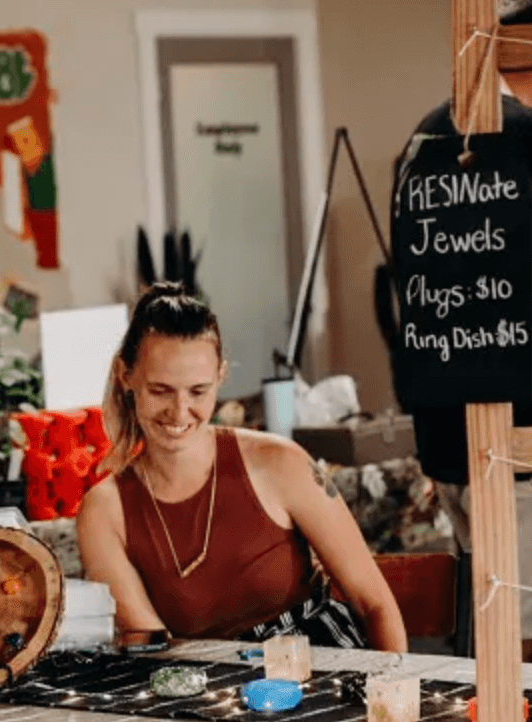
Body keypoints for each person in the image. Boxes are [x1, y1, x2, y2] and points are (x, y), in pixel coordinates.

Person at [77, 282, 407, 651]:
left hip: (325, 674)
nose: (179, 411)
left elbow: (374, 604)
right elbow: (155, 655)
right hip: (205, 692)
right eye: (160, 390)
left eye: (198, 391)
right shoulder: (103, 512)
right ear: (126, 375)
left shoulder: (281, 463)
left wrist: (393, 702)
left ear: (220, 376)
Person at [388, 0, 532, 662]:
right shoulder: (522, 142)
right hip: (517, 449)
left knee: (496, 628)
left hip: (451, 443)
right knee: (521, 644)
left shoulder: (425, 138)